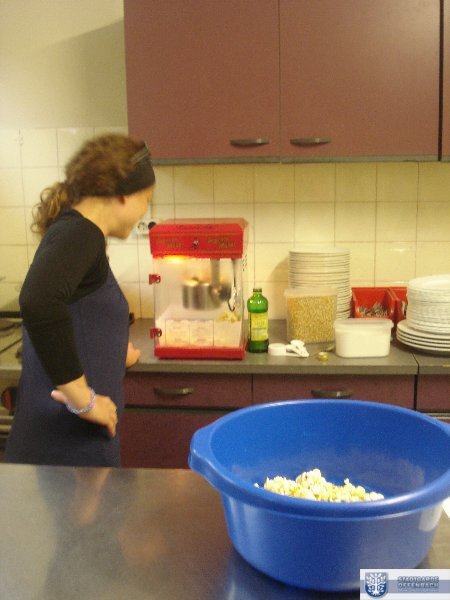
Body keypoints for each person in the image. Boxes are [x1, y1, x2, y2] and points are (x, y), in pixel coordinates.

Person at [5, 134, 155, 467]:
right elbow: (39, 301)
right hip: (66, 445)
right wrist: (83, 399)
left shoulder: (76, 232)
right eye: (146, 199)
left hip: (67, 441)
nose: (146, 209)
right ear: (123, 195)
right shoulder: (81, 233)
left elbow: (79, 316)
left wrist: (114, 354)